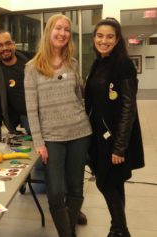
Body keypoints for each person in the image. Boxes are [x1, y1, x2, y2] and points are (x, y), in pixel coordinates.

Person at [24, 14, 92, 237]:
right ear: (48, 31)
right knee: (54, 192)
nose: (62, 33)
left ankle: (67, 233)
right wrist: (38, 142)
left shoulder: (72, 63)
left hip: (79, 132)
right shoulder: (32, 68)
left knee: (75, 188)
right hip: (52, 137)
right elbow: (32, 109)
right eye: (58, 28)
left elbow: (79, 97)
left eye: (66, 30)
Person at [84, 17, 144, 237]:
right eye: (100, 36)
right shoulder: (97, 62)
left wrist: (120, 147)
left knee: (104, 182)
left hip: (116, 137)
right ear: (94, 38)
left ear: (117, 39)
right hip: (99, 136)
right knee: (115, 183)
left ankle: (121, 230)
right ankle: (117, 229)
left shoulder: (123, 64)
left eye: (110, 36)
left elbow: (129, 108)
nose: (104, 40)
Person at [0, 30, 30, 134]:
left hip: (34, 116)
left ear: (14, 44)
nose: (5, 48)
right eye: (0, 45)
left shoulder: (30, 60)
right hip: (12, 120)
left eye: (8, 43)